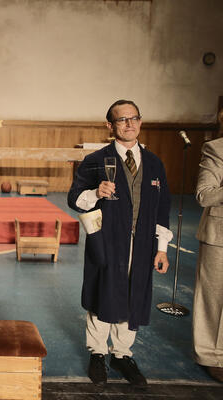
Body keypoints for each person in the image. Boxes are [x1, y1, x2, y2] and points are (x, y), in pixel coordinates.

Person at [68, 99, 172, 386]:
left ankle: (122, 354)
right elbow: (74, 198)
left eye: (134, 118)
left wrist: (162, 248)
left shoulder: (154, 163)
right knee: (104, 292)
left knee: (134, 294)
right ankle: (98, 353)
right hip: (107, 240)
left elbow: (163, 208)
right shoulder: (96, 160)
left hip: (143, 243)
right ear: (110, 125)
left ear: (140, 121)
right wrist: (95, 192)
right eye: (122, 119)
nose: (129, 124)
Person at [193, 124, 223, 383]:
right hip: (219, 236)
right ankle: (212, 356)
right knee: (214, 300)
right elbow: (204, 196)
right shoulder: (216, 149)